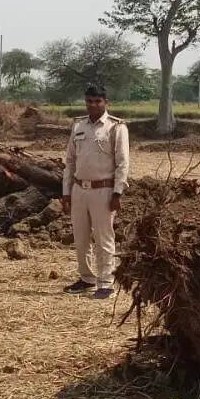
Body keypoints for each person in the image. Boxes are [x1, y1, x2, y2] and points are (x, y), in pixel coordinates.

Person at [61, 83, 129, 299]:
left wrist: (117, 193)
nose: (93, 105)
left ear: (105, 102)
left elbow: (123, 163)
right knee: (81, 239)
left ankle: (106, 282)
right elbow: (70, 161)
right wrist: (66, 191)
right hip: (80, 188)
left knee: (103, 238)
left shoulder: (115, 127)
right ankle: (87, 278)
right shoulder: (78, 126)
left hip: (104, 190)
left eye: (97, 101)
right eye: (89, 101)